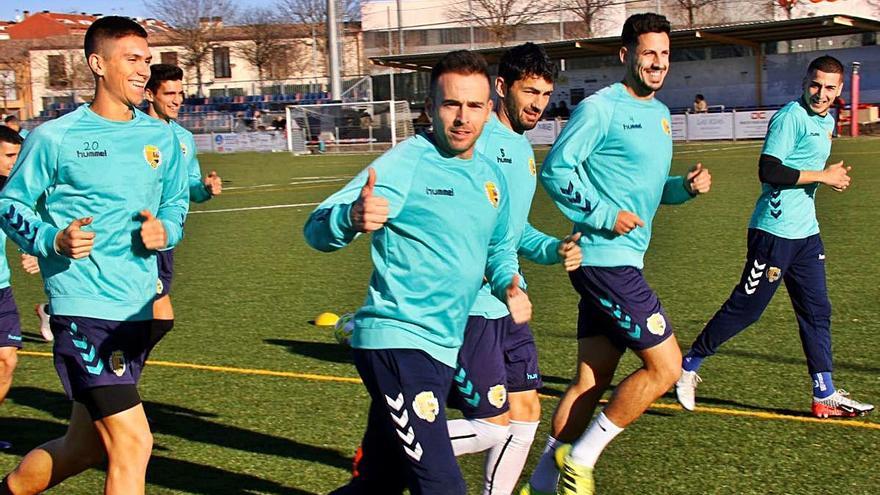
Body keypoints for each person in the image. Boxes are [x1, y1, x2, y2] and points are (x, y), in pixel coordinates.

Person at [305, 50, 531, 495]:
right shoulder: (405, 162)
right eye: (451, 104)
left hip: (445, 347)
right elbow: (316, 227)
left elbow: (500, 247)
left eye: (473, 106)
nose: (463, 118)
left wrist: (508, 281)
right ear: (430, 109)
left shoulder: (491, 177)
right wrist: (349, 218)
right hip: (398, 341)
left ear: (489, 109)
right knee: (442, 487)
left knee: (380, 484)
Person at [522, 13, 712, 495]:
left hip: (623, 259)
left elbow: (646, 194)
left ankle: (541, 484)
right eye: (649, 53)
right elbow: (557, 173)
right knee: (667, 368)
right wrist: (605, 216)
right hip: (604, 260)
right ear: (626, 55)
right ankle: (581, 461)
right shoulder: (599, 109)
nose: (658, 63)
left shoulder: (663, 115)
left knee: (591, 378)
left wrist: (683, 189)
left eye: (665, 54)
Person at [0, 16, 188, 495]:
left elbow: (175, 204)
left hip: (136, 311)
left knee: (83, 448)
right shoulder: (55, 138)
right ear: (97, 64)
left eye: (147, 59)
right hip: (84, 313)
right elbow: (10, 203)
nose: (144, 69)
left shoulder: (161, 137)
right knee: (133, 445)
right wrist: (51, 240)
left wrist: (164, 229)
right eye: (132, 59)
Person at [675, 55, 873, 419]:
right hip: (774, 231)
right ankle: (688, 365)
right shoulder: (790, 117)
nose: (821, 93)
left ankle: (824, 393)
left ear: (840, 90)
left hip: (806, 235)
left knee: (817, 312)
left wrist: (826, 178)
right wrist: (822, 176)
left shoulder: (826, 120)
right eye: (815, 85)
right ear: (805, 82)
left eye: (829, 87)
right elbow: (769, 170)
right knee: (747, 308)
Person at [443, 43, 580, 495]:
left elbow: (511, 232)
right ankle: (396, 444)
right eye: (530, 92)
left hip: (507, 302)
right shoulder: (477, 141)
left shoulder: (522, 148)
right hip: (471, 306)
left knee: (525, 417)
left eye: (545, 93)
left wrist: (553, 248)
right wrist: (503, 280)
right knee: (491, 427)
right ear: (502, 88)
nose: (539, 104)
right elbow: (463, 225)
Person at [144, 63, 222, 347]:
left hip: (164, 238)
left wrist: (205, 189)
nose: (177, 100)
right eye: (169, 93)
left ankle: (115, 378)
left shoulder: (184, 139)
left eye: (180, 93)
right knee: (154, 317)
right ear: (149, 94)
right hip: (134, 237)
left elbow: (189, 189)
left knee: (156, 321)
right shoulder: (130, 133)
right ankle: (113, 381)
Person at [0, 126, 24, 451]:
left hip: (1, 287)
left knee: (7, 360)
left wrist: (29, 249)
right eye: (7, 156)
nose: (13, 163)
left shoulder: (9, 190)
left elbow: (21, 222)